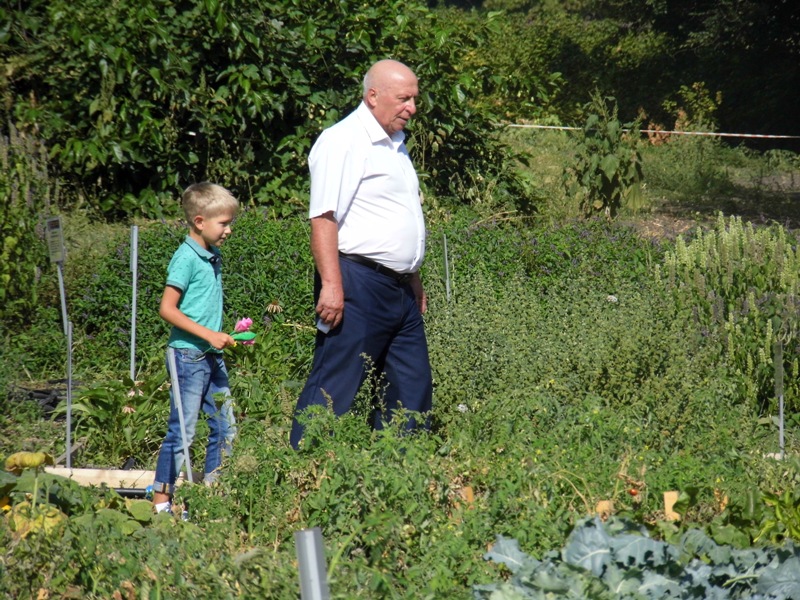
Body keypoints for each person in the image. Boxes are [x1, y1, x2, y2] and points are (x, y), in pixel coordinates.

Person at [290, 59, 432, 449]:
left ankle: (401, 478)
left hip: (400, 290)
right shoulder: (343, 141)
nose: (412, 108)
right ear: (373, 96)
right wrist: (332, 286)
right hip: (356, 283)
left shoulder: (395, 146)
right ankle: (304, 471)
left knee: (411, 385)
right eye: (404, 99)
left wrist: (413, 277)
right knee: (337, 383)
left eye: (414, 99)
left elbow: (397, 219)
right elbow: (323, 217)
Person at [151, 182, 239, 514]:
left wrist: (223, 336)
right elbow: (167, 309)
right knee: (183, 432)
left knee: (225, 427)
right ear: (199, 221)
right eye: (224, 223)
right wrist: (207, 333)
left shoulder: (212, 255)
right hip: (187, 355)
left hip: (210, 354)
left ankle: (213, 495)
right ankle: (161, 502)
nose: (228, 230)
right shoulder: (185, 258)